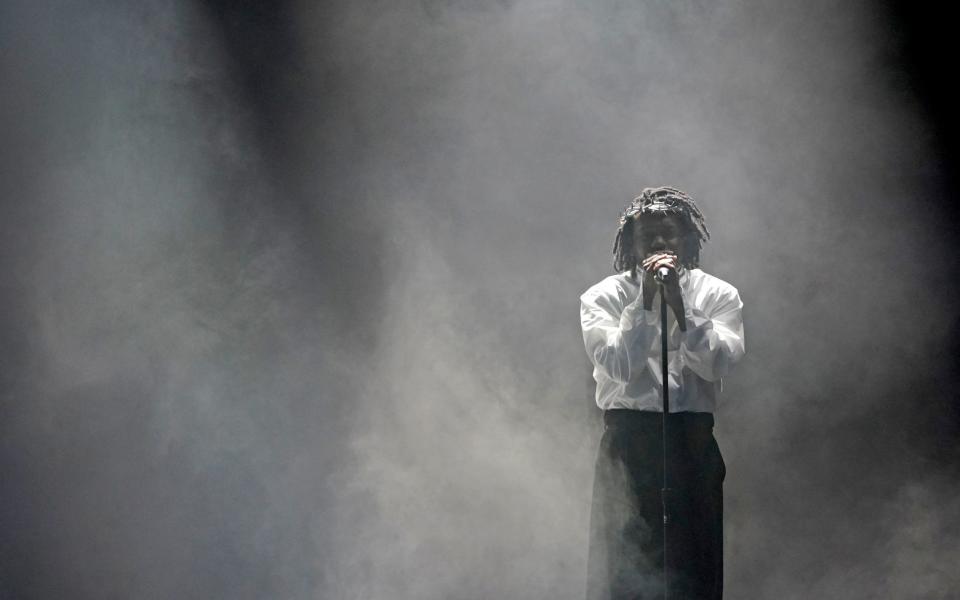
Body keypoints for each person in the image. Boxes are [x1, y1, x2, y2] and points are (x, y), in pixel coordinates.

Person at [580, 186, 745, 600]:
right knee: (623, 557)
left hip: (690, 437)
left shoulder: (719, 295)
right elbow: (619, 365)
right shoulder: (602, 298)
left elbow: (718, 364)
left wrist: (683, 311)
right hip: (630, 439)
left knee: (696, 558)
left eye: (667, 234)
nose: (657, 243)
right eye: (647, 236)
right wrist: (645, 304)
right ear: (630, 244)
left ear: (686, 240)